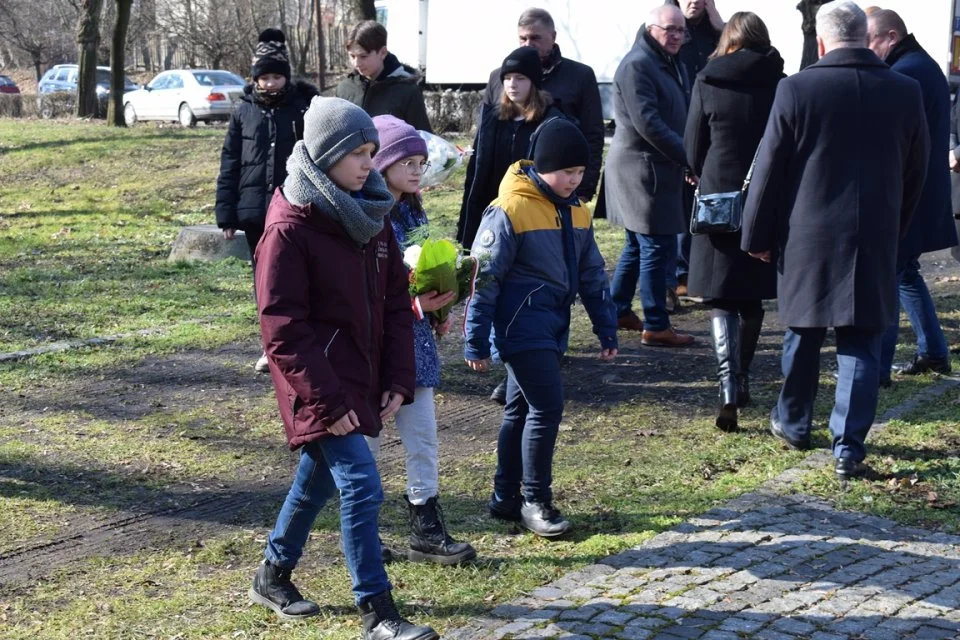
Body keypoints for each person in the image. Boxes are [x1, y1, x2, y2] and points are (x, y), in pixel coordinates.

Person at [250, 96, 438, 640]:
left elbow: (396, 307)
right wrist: (326, 404)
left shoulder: (371, 214)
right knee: (361, 485)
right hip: (319, 386)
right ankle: (378, 613)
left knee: (316, 484)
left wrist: (400, 379)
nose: (367, 163)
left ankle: (272, 573)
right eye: (356, 153)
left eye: (371, 151)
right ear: (326, 154)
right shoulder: (289, 227)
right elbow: (282, 328)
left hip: (365, 378)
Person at [741, 1, 929, 481]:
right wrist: (896, 227)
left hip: (808, 234)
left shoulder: (798, 88)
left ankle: (794, 422)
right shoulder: (905, 90)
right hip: (875, 233)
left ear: (821, 42)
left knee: (802, 330)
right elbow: (917, 171)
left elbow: (769, 169)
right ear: (867, 37)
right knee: (862, 340)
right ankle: (848, 447)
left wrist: (757, 235)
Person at [463, 118, 618, 537]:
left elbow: (592, 275)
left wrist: (607, 329)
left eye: (580, 173)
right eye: (565, 172)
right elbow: (485, 278)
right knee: (547, 407)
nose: (573, 180)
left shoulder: (578, 211)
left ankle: (504, 497)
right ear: (541, 166)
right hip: (520, 325)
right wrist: (475, 340)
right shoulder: (510, 209)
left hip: (553, 324)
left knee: (519, 409)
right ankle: (536, 499)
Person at [367, 114, 477, 566]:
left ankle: (426, 526)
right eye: (405, 161)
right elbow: (366, 288)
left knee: (423, 439)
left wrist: (439, 307)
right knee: (367, 443)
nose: (416, 169)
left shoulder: (413, 208)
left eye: (419, 161)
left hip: (414, 343)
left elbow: (420, 265)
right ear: (381, 163)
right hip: (373, 344)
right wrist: (417, 306)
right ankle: (364, 531)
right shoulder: (365, 213)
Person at [683, 12, 783, 431]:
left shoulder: (709, 79)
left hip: (719, 194)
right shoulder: (781, 80)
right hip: (766, 192)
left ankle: (728, 385)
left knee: (720, 297)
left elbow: (692, 143)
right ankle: (741, 379)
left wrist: (697, 169)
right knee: (752, 296)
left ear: (729, 40)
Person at [215, 28, 319, 372]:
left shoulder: (304, 107)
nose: (271, 83)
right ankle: (270, 345)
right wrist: (226, 213)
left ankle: (307, 339)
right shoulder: (242, 111)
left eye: (277, 76)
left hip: (296, 206)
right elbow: (230, 161)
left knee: (302, 277)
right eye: (265, 77)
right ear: (255, 79)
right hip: (254, 212)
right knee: (265, 280)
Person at [866, 9, 957, 383]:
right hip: (922, 193)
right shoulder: (918, 64)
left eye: (871, 41)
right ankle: (934, 351)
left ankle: (877, 368)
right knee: (904, 275)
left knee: (888, 278)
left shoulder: (907, 71)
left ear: (890, 35)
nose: (867, 49)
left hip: (909, 196)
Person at [605, 4, 696, 347]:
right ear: (650, 28)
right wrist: (690, 157)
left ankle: (617, 309)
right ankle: (656, 324)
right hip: (641, 171)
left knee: (636, 244)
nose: (676, 36)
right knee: (656, 245)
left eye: (681, 30)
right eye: (669, 29)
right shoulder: (638, 65)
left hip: (655, 169)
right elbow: (650, 125)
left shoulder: (668, 62)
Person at [481, 7, 604, 203]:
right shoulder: (499, 78)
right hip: (502, 189)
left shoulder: (579, 77)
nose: (528, 45)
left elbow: (593, 135)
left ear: (553, 36)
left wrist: (584, 189)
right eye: (522, 39)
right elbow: (484, 136)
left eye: (535, 38)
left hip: (556, 188)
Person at [457, 46, 565, 249]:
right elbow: (475, 174)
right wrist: (466, 225)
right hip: (490, 209)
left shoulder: (551, 121)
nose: (512, 84)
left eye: (520, 78)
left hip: (531, 214)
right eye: (507, 78)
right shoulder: (492, 119)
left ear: (534, 82)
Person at [668, 0, 724, 298]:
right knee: (679, 202)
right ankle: (678, 272)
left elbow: (738, 45)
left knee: (702, 198)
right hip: (678, 124)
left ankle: (694, 269)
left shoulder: (714, 29)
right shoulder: (669, 25)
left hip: (711, 124)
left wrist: (715, 16)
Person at [336, 20, 432, 133]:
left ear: (382, 53)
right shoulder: (345, 89)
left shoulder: (407, 91)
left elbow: (423, 138)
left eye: (363, 56)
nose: (356, 63)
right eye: (352, 56)